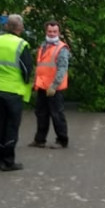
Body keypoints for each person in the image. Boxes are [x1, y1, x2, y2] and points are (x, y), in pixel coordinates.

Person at [0, 14, 33, 171]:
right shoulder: (21, 44)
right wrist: (26, 82)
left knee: (1, 125)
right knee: (12, 127)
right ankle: (8, 160)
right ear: (20, 28)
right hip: (14, 90)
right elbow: (26, 70)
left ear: (7, 26)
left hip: (0, 88)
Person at [29, 20, 70, 149]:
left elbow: (62, 68)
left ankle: (62, 140)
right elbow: (40, 67)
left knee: (57, 114)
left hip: (54, 88)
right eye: (49, 31)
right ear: (46, 31)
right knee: (41, 114)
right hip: (42, 86)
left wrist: (54, 85)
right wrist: (35, 82)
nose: (52, 34)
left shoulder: (61, 48)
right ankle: (40, 140)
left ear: (59, 32)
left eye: (54, 31)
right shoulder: (43, 46)